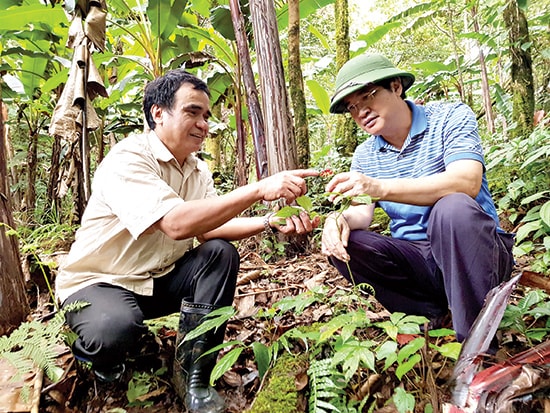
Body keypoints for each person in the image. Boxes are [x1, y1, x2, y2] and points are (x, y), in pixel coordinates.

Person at [55, 69, 319, 413]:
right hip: (100, 282)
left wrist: (270, 221)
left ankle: (195, 376)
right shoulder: (129, 159)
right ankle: (103, 359)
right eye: (192, 111)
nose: (203, 124)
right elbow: (176, 224)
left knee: (219, 254)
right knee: (113, 330)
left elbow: (209, 230)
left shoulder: (197, 169)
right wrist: (258, 189)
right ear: (158, 113)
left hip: (157, 279)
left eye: (206, 115)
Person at [321, 52, 515, 344]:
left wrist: (379, 187)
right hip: (418, 260)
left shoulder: (449, 117)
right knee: (348, 241)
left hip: (476, 253)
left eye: (368, 96)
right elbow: (361, 213)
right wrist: (336, 220)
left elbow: (467, 181)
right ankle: (424, 314)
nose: (361, 111)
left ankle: (476, 344)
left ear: (396, 86)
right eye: (352, 107)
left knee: (452, 207)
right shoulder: (364, 155)